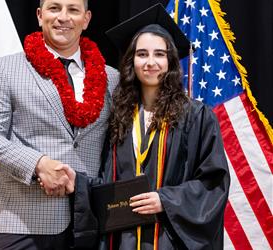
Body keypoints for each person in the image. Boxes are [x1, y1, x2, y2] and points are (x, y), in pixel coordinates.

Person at [73, 3, 230, 249]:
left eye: (159, 54)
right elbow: (103, 177)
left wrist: (165, 201)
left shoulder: (196, 116)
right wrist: (74, 180)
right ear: (131, 61)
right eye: (142, 54)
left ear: (170, 61)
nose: (150, 62)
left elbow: (213, 181)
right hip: (121, 238)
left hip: (168, 237)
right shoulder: (118, 115)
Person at [0, 0, 118, 249]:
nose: (63, 17)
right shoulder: (7, 69)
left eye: (73, 10)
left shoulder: (112, 78)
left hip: (90, 223)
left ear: (86, 18)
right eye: (54, 8)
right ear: (39, 15)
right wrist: (38, 164)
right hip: (23, 222)